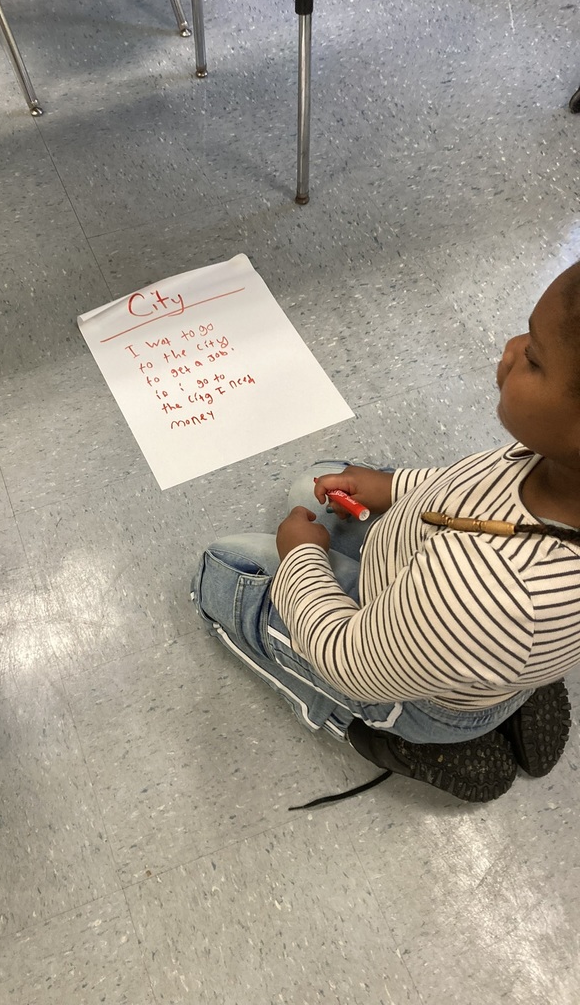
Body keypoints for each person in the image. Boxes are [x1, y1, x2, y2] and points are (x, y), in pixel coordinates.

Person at [192, 260, 580, 805]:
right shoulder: (558, 466)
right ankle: (510, 687)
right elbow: (470, 485)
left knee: (223, 570)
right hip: (454, 626)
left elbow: (346, 661)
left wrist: (301, 560)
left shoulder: (491, 593)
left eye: (534, 358)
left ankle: (393, 737)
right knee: (313, 483)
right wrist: (392, 486)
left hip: (407, 676)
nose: (512, 347)